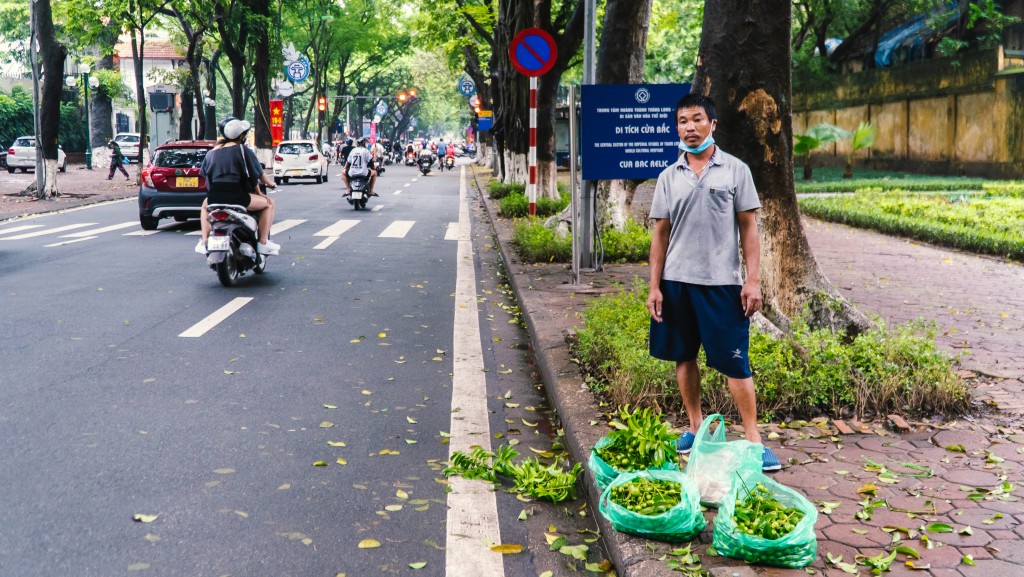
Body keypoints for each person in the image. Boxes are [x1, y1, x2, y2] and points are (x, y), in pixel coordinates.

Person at [645, 93, 780, 472]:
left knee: (735, 361)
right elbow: (660, 235)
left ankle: (753, 439)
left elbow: (749, 228)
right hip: (676, 283)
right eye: (683, 120)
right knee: (684, 356)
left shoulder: (736, 170)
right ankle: (695, 425)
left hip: (722, 284)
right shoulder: (669, 177)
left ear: (713, 124)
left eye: (697, 119)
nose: (690, 127)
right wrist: (654, 286)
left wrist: (752, 281)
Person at [195, 117, 280, 255]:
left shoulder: (211, 153)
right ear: (241, 136)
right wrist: (268, 185)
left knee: (204, 206)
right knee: (269, 204)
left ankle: (204, 241)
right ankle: (263, 242)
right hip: (237, 196)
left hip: (215, 196)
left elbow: (207, 178)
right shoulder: (242, 150)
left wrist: (212, 195)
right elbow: (255, 174)